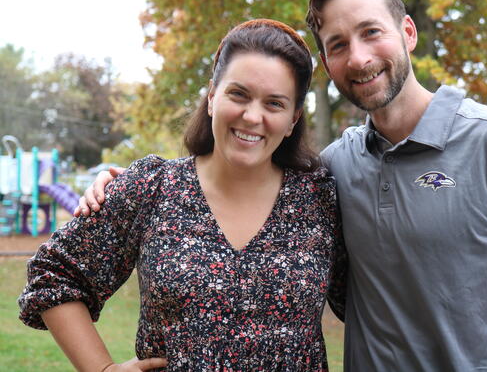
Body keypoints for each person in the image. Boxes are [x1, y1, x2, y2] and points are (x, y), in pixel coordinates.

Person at [78, 0, 487, 371]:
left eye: (371, 33)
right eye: (339, 44)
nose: (359, 58)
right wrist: (121, 185)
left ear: (407, 33)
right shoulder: (332, 171)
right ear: (326, 60)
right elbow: (239, 164)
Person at [19, 19, 347, 371]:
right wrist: (103, 369)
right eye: (238, 94)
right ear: (211, 97)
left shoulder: (321, 198)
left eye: (274, 104)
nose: (253, 116)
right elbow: (54, 274)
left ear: (294, 119)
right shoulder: (152, 187)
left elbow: (374, 293)